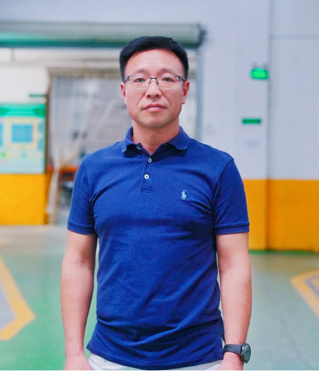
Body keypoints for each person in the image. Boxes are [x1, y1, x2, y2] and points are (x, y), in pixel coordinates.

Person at [61, 36, 252, 370]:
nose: (153, 90)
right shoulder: (94, 169)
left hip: (199, 359)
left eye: (166, 79)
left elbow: (233, 264)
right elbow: (78, 263)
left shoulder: (218, 168)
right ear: (124, 91)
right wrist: (73, 354)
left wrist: (233, 353)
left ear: (185, 90)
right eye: (140, 79)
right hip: (110, 358)